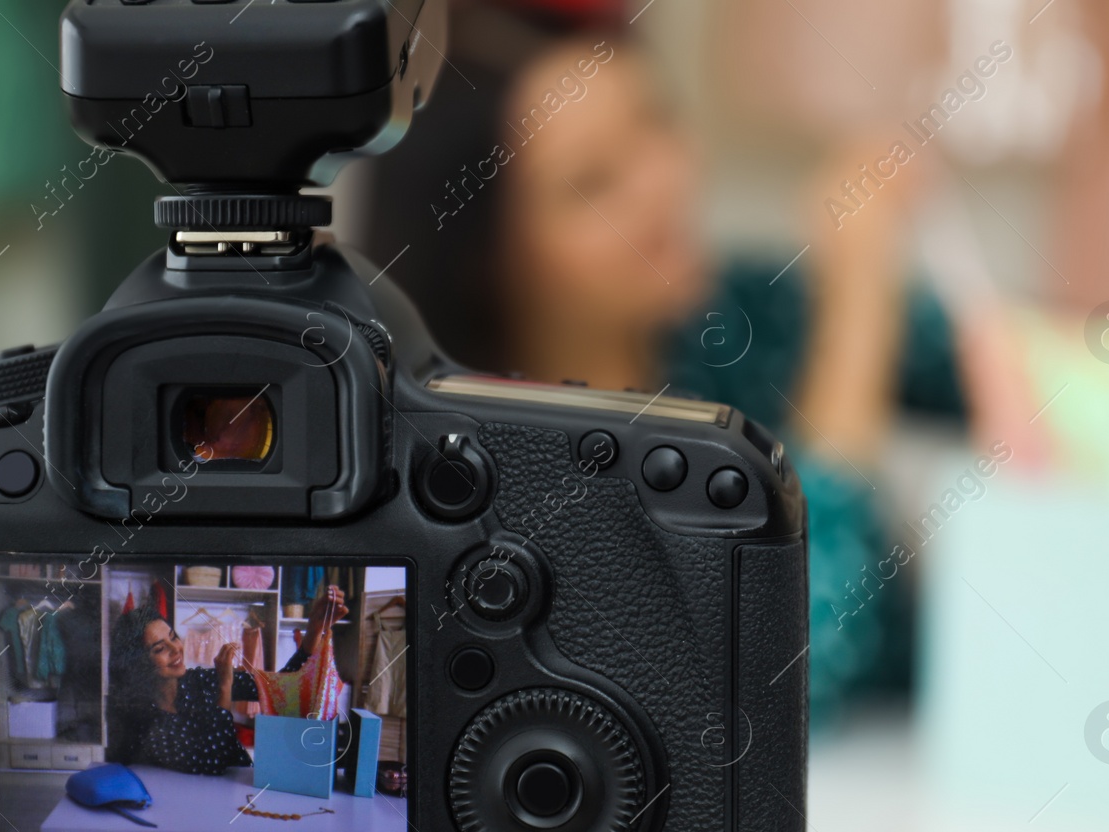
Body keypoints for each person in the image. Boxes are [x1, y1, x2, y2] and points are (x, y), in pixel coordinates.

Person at [360, 1, 963, 715]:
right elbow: (780, 673)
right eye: (594, 184)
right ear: (485, 260)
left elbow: (995, 374)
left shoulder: (734, 319)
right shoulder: (500, 496)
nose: (664, 182)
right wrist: (859, 307)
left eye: (656, 120)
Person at [108, 586, 348, 774]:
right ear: (137, 662)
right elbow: (213, 763)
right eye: (160, 648)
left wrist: (314, 630)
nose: (176, 649)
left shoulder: (199, 680)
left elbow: (280, 687)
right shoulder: (142, 717)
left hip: (238, 794)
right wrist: (225, 688)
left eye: (174, 637)